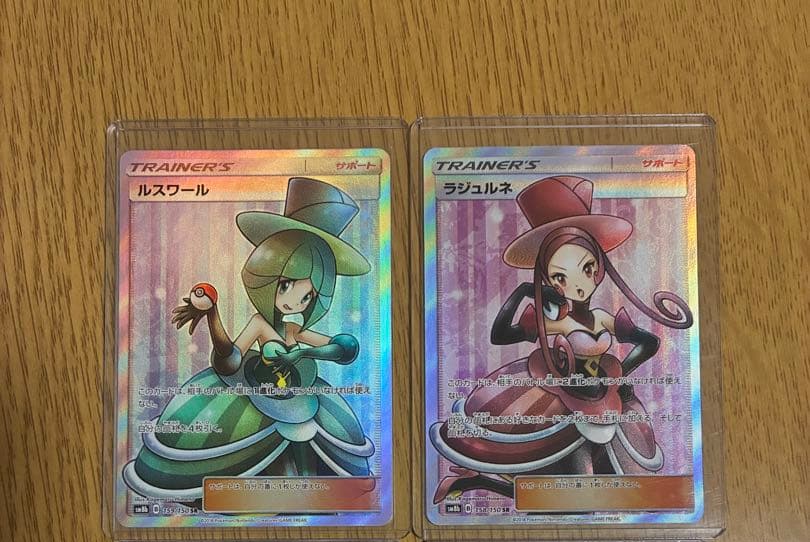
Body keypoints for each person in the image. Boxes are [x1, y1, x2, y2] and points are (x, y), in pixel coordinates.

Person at [431, 175, 693, 502]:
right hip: (558, 398)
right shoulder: (555, 323)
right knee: (572, 481)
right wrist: (522, 292)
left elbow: (649, 343)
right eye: (560, 276)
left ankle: (478, 483)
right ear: (548, 279)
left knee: (607, 476)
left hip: (603, 396)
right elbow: (501, 335)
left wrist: (618, 376)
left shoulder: (602, 318)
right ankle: (476, 483)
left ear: (599, 268)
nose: (578, 284)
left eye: (587, 269)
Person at [124, 177, 375, 505]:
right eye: (285, 285)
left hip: (299, 398)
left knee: (318, 458)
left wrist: (316, 352)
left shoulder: (294, 329)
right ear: (267, 278)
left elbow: (340, 347)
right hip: (251, 395)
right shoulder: (259, 323)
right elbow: (230, 359)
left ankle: (301, 503)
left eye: (308, 296)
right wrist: (213, 316)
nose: (294, 301)